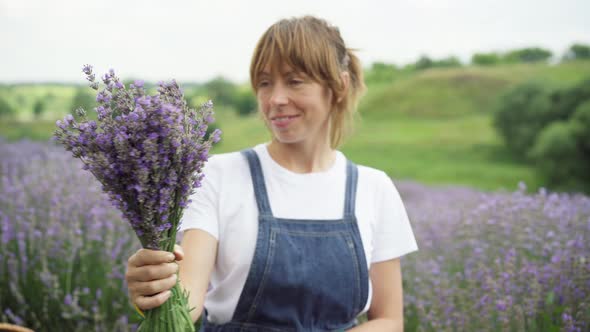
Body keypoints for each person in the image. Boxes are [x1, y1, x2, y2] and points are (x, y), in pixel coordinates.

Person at [125, 15, 418, 332]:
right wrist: (153, 291)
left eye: (294, 81)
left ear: (339, 86)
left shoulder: (374, 188)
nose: (276, 99)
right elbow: (189, 302)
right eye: (265, 83)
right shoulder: (215, 175)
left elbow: (389, 320)